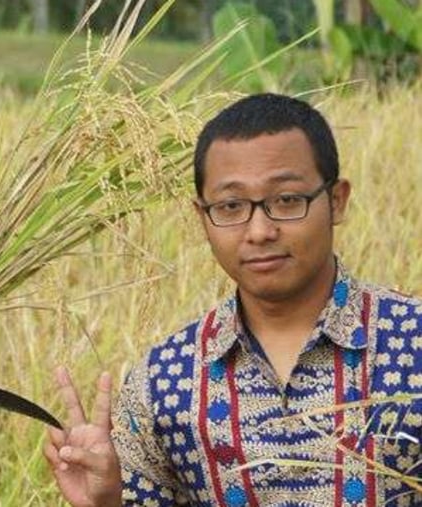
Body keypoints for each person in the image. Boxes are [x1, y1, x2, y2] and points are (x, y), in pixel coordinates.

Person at [43, 93, 422, 506]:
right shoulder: (164, 381)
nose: (259, 230)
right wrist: (106, 504)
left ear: (336, 201)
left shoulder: (412, 343)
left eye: (286, 200)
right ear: (202, 218)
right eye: (230, 206)